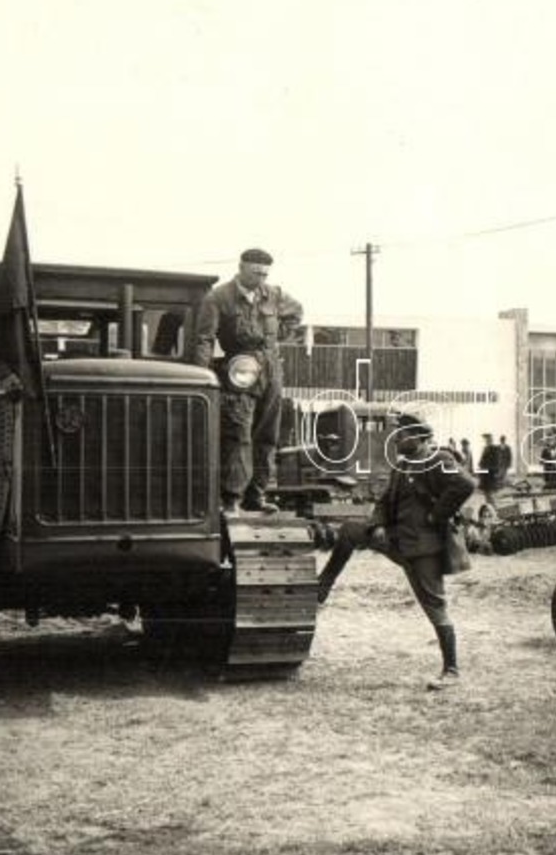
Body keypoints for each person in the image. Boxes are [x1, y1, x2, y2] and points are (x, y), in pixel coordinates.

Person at [317, 416, 477, 689]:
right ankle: (321, 589)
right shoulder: (402, 466)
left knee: (435, 606)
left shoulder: (438, 460)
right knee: (350, 531)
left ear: (419, 437)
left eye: (402, 435)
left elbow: (466, 484)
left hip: (423, 548)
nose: (397, 440)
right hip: (395, 540)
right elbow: (383, 501)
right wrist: (378, 525)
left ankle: (451, 670)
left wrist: (436, 516)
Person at [193, 248, 304, 516]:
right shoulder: (219, 297)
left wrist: (278, 337)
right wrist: (201, 375)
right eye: (256, 272)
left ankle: (256, 496)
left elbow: (297, 312)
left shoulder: (274, 294)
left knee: (267, 436)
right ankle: (231, 499)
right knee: (238, 434)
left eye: (265, 273)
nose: (261, 278)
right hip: (239, 370)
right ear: (242, 268)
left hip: (271, 369)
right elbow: (204, 339)